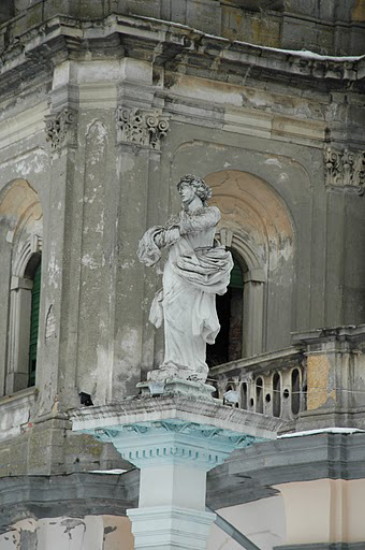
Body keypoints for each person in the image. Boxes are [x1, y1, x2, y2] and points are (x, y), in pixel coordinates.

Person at [138, 174, 233, 382]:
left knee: (191, 317)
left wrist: (176, 230)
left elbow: (195, 225)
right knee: (172, 311)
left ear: (198, 189)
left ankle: (191, 364)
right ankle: (172, 361)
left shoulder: (211, 212)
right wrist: (159, 237)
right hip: (175, 267)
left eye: (185, 187)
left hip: (197, 269)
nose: (181, 191)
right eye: (180, 188)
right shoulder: (178, 218)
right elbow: (163, 239)